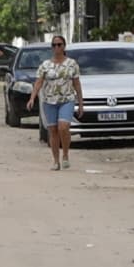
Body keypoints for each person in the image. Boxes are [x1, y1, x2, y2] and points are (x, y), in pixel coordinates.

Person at [32, 31, 81, 172]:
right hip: (49, 101)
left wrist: (81, 103)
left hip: (67, 99)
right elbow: (38, 82)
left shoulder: (72, 64)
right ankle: (55, 160)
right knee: (53, 131)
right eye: (54, 45)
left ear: (64, 46)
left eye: (59, 45)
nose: (57, 48)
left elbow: (77, 84)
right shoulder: (45, 65)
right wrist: (32, 97)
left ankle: (65, 154)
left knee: (63, 127)